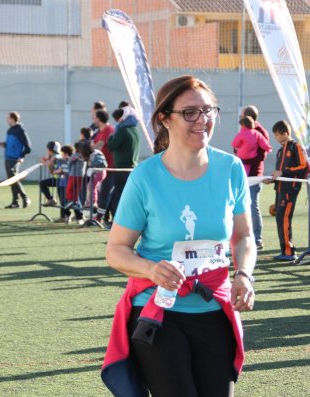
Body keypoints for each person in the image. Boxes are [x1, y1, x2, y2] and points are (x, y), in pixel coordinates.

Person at [103, 75, 255, 397]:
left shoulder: (231, 169)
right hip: (159, 313)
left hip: (213, 309)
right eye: (190, 113)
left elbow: (243, 236)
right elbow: (116, 250)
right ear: (164, 119)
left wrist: (243, 274)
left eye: (208, 110)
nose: (202, 120)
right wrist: (150, 269)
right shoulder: (145, 177)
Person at [264, 120, 309, 261]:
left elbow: (304, 167)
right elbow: (279, 172)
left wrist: (284, 171)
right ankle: (284, 250)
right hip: (280, 189)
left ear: (285, 134)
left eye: (277, 135)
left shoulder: (296, 147)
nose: (275, 138)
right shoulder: (280, 151)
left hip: (291, 189)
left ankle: (289, 251)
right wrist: (272, 178)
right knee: (279, 217)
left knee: (284, 218)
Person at [231, 115, 272, 249]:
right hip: (254, 173)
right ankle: (256, 239)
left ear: (242, 125)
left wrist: (239, 150)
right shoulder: (258, 134)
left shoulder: (241, 134)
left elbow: (235, 144)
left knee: (238, 206)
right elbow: (266, 146)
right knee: (254, 207)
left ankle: (239, 238)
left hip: (243, 168)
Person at [105, 107, 140, 226]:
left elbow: (111, 146)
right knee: (130, 196)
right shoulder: (135, 129)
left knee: (118, 195)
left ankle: (115, 220)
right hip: (132, 168)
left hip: (121, 168)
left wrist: (110, 137)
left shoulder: (121, 130)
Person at [0, 111, 32, 209]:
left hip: (15, 159)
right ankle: (15, 202)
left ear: (13, 119)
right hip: (7, 158)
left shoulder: (20, 130)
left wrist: (21, 156)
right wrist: (5, 144)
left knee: (14, 179)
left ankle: (25, 198)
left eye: (8, 117)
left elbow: (28, 147)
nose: (6, 119)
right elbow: (12, 143)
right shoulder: (9, 130)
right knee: (11, 180)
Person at [92, 110, 115, 223]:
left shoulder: (109, 130)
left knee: (105, 193)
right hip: (101, 168)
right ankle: (102, 216)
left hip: (110, 167)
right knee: (101, 193)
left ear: (99, 119)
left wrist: (91, 147)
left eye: (95, 118)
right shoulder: (100, 131)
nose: (93, 120)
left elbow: (97, 146)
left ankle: (99, 217)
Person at [64, 140, 87, 225]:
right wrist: (73, 160)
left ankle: (73, 205)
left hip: (80, 176)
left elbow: (84, 162)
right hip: (72, 175)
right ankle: (71, 205)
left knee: (76, 193)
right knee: (69, 191)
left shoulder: (84, 156)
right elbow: (69, 163)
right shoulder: (75, 155)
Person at [54, 144, 73, 222]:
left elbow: (71, 171)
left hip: (68, 184)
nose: (61, 155)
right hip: (61, 183)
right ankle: (66, 215)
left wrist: (61, 171)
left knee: (67, 201)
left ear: (66, 154)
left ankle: (71, 216)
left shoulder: (72, 161)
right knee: (62, 201)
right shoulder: (60, 161)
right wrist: (59, 171)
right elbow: (55, 171)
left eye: (62, 153)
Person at [40, 141, 62, 207]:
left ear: (50, 150)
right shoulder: (59, 155)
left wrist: (44, 162)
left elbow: (50, 166)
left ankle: (50, 199)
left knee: (42, 183)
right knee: (61, 197)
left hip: (59, 179)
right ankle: (64, 215)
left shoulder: (54, 157)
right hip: (59, 179)